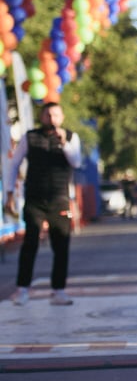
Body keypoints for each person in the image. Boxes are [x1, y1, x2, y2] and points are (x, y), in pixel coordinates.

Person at [4, 102, 83, 306]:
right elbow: (14, 165)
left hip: (59, 199)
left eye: (56, 114)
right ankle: (22, 289)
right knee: (30, 243)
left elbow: (76, 162)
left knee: (61, 244)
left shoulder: (71, 137)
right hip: (35, 199)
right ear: (42, 116)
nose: (52, 118)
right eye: (48, 114)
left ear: (62, 117)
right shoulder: (30, 137)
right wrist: (10, 193)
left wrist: (64, 143)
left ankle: (59, 290)